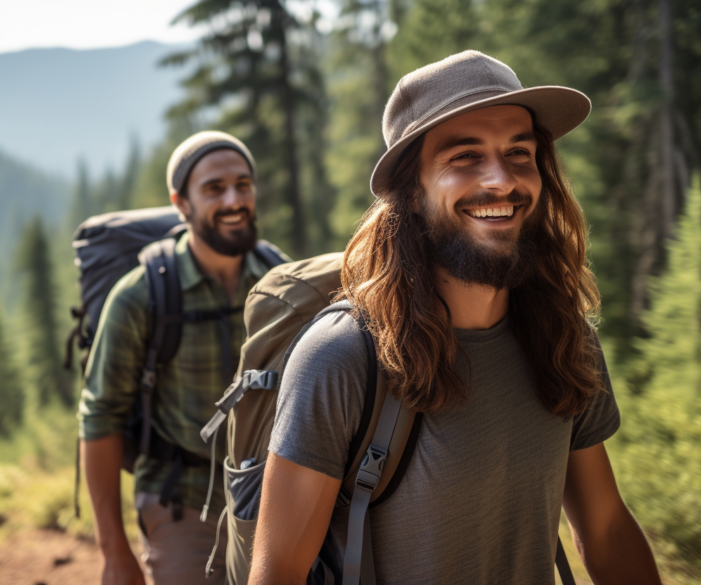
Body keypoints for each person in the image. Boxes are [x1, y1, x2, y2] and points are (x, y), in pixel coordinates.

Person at [251, 51, 663, 584]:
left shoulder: (563, 339)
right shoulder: (344, 356)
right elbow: (279, 571)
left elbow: (605, 531)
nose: (502, 180)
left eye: (520, 152)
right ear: (410, 190)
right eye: (465, 156)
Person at [79, 131, 289, 585]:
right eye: (214, 188)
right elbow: (99, 419)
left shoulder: (281, 280)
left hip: (272, 493)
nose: (234, 199)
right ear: (182, 203)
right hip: (181, 496)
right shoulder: (141, 296)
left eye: (243, 184)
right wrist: (113, 551)